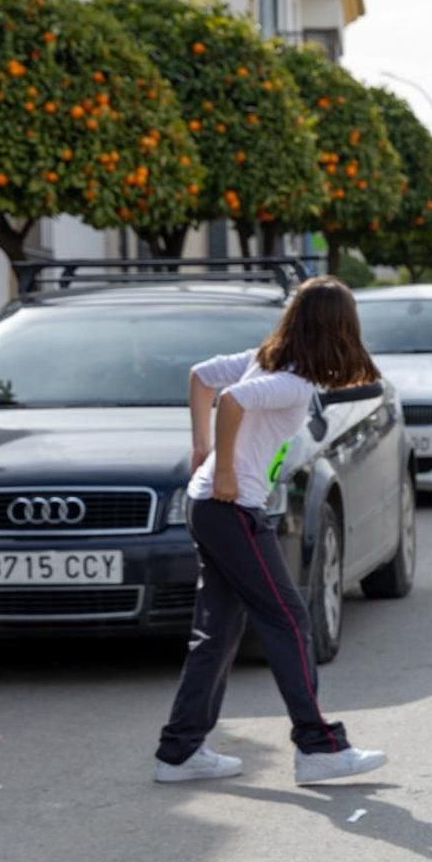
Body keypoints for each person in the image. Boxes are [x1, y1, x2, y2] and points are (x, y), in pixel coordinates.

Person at [154, 276, 388, 786]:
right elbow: (231, 400)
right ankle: (317, 746)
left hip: (210, 506)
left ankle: (179, 751)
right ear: (336, 329)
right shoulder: (290, 382)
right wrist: (223, 470)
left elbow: (200, 377)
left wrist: (202, 449)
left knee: (216, 633)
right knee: (288, 620)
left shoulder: (267, 361)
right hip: (231, 508)